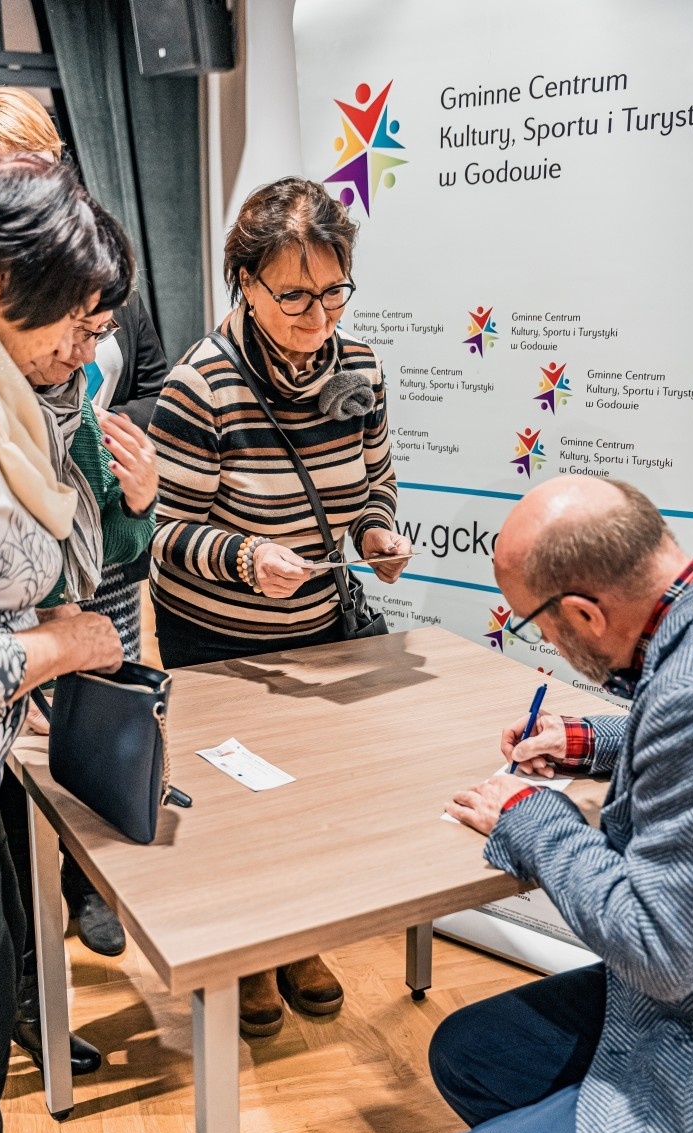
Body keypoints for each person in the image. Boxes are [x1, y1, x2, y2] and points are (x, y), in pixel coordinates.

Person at [405, 476, 693, 1133]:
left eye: (540, 624)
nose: (551, 644)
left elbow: (660, 953)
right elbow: (691, 724)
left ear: (587, 614)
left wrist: (531, 814)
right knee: (472, 1053)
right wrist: (591, 740)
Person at [149, 176, 412, 1036]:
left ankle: (296, 939)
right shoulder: (203, 385)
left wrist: (375, 536)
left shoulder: (362, 368)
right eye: (292, 294)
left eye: (333, 291)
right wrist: (242, 554)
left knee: (309, 804)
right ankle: (243, 959)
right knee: (236, 807)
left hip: (319, 634)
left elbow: (373, 483)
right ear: (245, 282)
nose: (317, 315)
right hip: (218, 636)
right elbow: (163, 526)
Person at [0, 86, 167, 1078]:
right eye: (77, 330)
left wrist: (132, 510)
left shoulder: (15, 374)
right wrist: (62, 643)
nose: (85, 354)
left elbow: (74, 514)